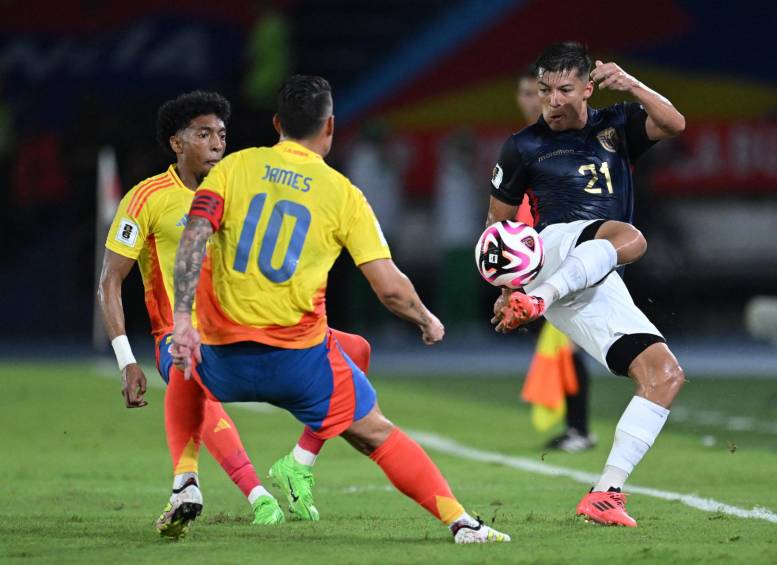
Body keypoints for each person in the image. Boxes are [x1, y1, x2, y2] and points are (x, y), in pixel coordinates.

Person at [167, 75, 510, 544]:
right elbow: (389, 288)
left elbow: (193, 237)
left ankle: (187, 478)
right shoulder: (343, 194)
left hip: (222, 360)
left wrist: (183, 320)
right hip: (298, 365)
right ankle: (461, 523)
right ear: (329, 127)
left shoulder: (234, 168)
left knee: (176, 359)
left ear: (275, 124)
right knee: (377, 432)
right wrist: (426, 319)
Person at [97, 91, 341, 536]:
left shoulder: (240, 191)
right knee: (194, 382)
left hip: (245, 327)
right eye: (204, 133)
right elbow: (110, 281)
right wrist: (126, 360)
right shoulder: (146, 198)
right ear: (176, 143)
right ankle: (250, 494)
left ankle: (298, 463)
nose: (216, 143)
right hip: (179, 335)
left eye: (222, 135)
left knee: (355, 352)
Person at [487, 42, 686, 527]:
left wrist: (634, 84)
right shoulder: (522, 145)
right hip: (554, 248)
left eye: (563, 89)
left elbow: (675, 123)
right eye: (544, 89)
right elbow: (498, 226)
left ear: (588, 88)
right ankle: (539, 299)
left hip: (594, 271)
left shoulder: (616, 123)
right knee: (631, 236)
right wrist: (506, 288)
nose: (551, 100)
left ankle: (606, 493)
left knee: (663, 375)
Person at [515, 64, 595, 452]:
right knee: (564, 344)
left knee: (571, 344)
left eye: (539, 93)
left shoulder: (571, 141)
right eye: (528, 94)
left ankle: (580, 429)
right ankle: (576, 426)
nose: (536, 101)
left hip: (574, 255)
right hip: (539, 261)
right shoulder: (525, 146)